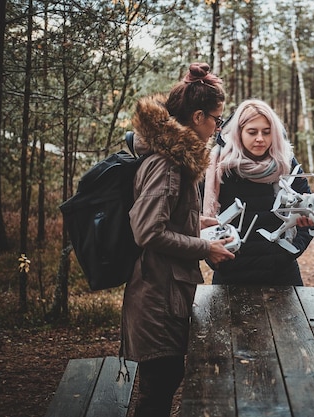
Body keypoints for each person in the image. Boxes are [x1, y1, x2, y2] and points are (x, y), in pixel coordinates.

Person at [121, 63, 235, 417]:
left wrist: (197, 221)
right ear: (198, 116)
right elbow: (148, 230)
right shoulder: (168, 163)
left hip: (166, 294)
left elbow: (162, 215)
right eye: (217, 118)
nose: (219, 126)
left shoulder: (175, 159)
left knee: (164, 383)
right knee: (157, 394)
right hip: (157, 299)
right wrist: (205, 246)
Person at [202, 99, 313, 285]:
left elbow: (310, 212)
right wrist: (214, 257)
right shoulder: (219, 167)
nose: (260, 138)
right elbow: (197, 219)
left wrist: (288, 253)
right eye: (252, 132)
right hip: (231, 275)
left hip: (282, 275)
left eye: (267, 132)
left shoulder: (286, 164)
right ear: (239, 133)